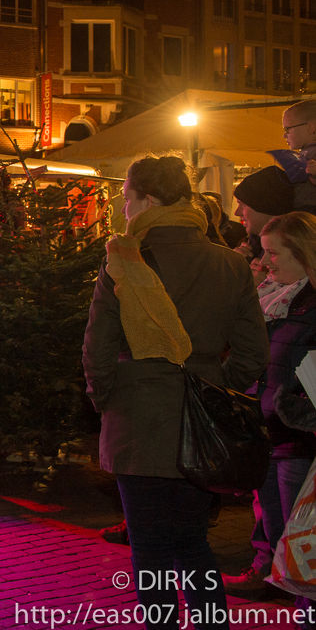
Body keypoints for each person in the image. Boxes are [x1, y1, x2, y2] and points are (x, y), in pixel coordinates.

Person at [82, 156, 268, 630]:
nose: (123, 207)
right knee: (191, 542)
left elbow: (97, 348)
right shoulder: (230, 263)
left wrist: (109, 401)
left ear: (146, 199)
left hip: (138, 417)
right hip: (203, 416)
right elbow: (251, 351)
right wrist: (216, 388)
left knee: (150, 547)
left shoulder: (125, 258)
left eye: (126, 197)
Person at [221, 211, 316, 599]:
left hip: (298, 436)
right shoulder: (271, 297)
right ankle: (284, 592)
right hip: (266, 428)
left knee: (301, 533)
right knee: (275, 524)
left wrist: (291, 404)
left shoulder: (309, 306)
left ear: (303, 254)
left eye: (274, 254)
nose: (265, 262)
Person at [233, 165, 295, 281]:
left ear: (264, 206)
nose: (237, 212)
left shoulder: (294, 254)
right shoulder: (251, 246)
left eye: (242, 204)